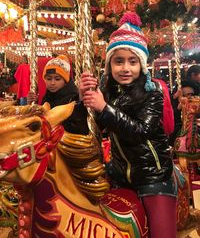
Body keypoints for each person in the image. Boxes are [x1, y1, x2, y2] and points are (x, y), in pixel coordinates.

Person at [79, 12, 177, 238]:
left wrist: (104, 108)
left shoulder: (152, 93)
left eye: (132, 62)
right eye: (118, 61)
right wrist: (83, 97)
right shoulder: (108, 90)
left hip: (153, 176)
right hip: (119, 175)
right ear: (109, 64)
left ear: (141, 65)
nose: (125, 68)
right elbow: (91, 128)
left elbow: (141, 131)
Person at [27, 55, 88, 134]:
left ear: (65, 80)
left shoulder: (74, 98)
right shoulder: (47, 97)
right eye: (48, 79)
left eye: (57, 79)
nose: (52, 83)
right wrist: (30, 105)